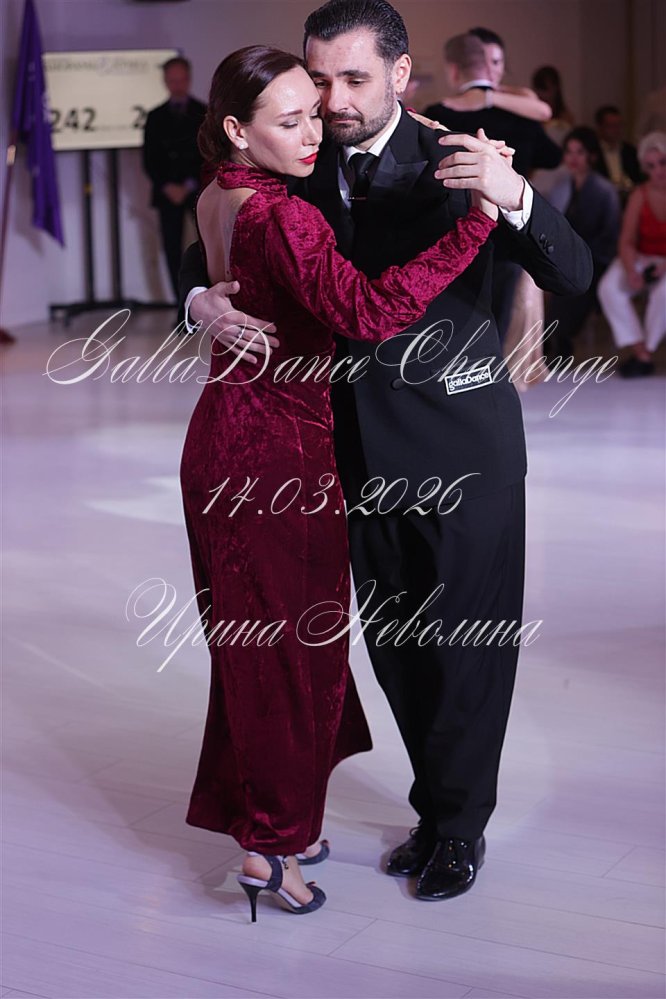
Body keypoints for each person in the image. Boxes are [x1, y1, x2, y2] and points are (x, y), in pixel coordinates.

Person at [182, 0, 592, 904]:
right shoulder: (292, 155)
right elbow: (219, 249)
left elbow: (573, 270)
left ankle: (459, 826)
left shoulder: (461, 156)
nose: (331, 100)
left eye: (354, 79)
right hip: (345, 455)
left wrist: (513, 196)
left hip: (463, 451)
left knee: (467, 654)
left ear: (402, 75)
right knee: (398, 650)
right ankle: (431, 806)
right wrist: (200, 303)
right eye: (319, 79)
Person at [422, 33, 562, 341]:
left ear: (453, 69)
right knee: (507, 332)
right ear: (487, 66)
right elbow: (553, 156)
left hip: (457, 238)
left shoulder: (436, 115)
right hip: (513, 238)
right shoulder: (521, 115)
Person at [545, 127, 621, 361]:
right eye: (569, 152)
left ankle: (559, 339)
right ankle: (543, 340)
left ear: (592, 156)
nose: (573, 158)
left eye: (580, 152)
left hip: (596, 258)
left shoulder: (605, 190)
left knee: (573, 281)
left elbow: (611, 236)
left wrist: (577, 256)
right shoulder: (561, 187)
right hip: (564, 258)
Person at [598, 131, 666, 377]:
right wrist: (630, 270)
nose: (658, 170)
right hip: (643, 257)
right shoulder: (640, 195)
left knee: (663, 294)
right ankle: (640, 351)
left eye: (662, 162)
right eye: (651, 166)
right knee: (609, 288)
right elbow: (627, 240)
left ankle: (647, 350)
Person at [142, 57, 206, 301]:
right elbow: (149, 159)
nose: (177, 85)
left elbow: (208, 155)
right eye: (172, 80)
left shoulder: (203, 112)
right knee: (171, 248)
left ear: (188, 79)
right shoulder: (155, 117)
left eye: (181, 80)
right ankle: (180, 303)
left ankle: (205, 298)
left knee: (206, 245)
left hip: (197, 190)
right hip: (167, 192)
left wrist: (189, 184)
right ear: (165, 81)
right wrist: (167, 186)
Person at [594, 105, 642, 196]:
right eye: (611, 126)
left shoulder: (630, 151)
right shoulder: (592, 152)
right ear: (599, 127)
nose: (616, 129)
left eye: (619, 125)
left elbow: (637, 179)